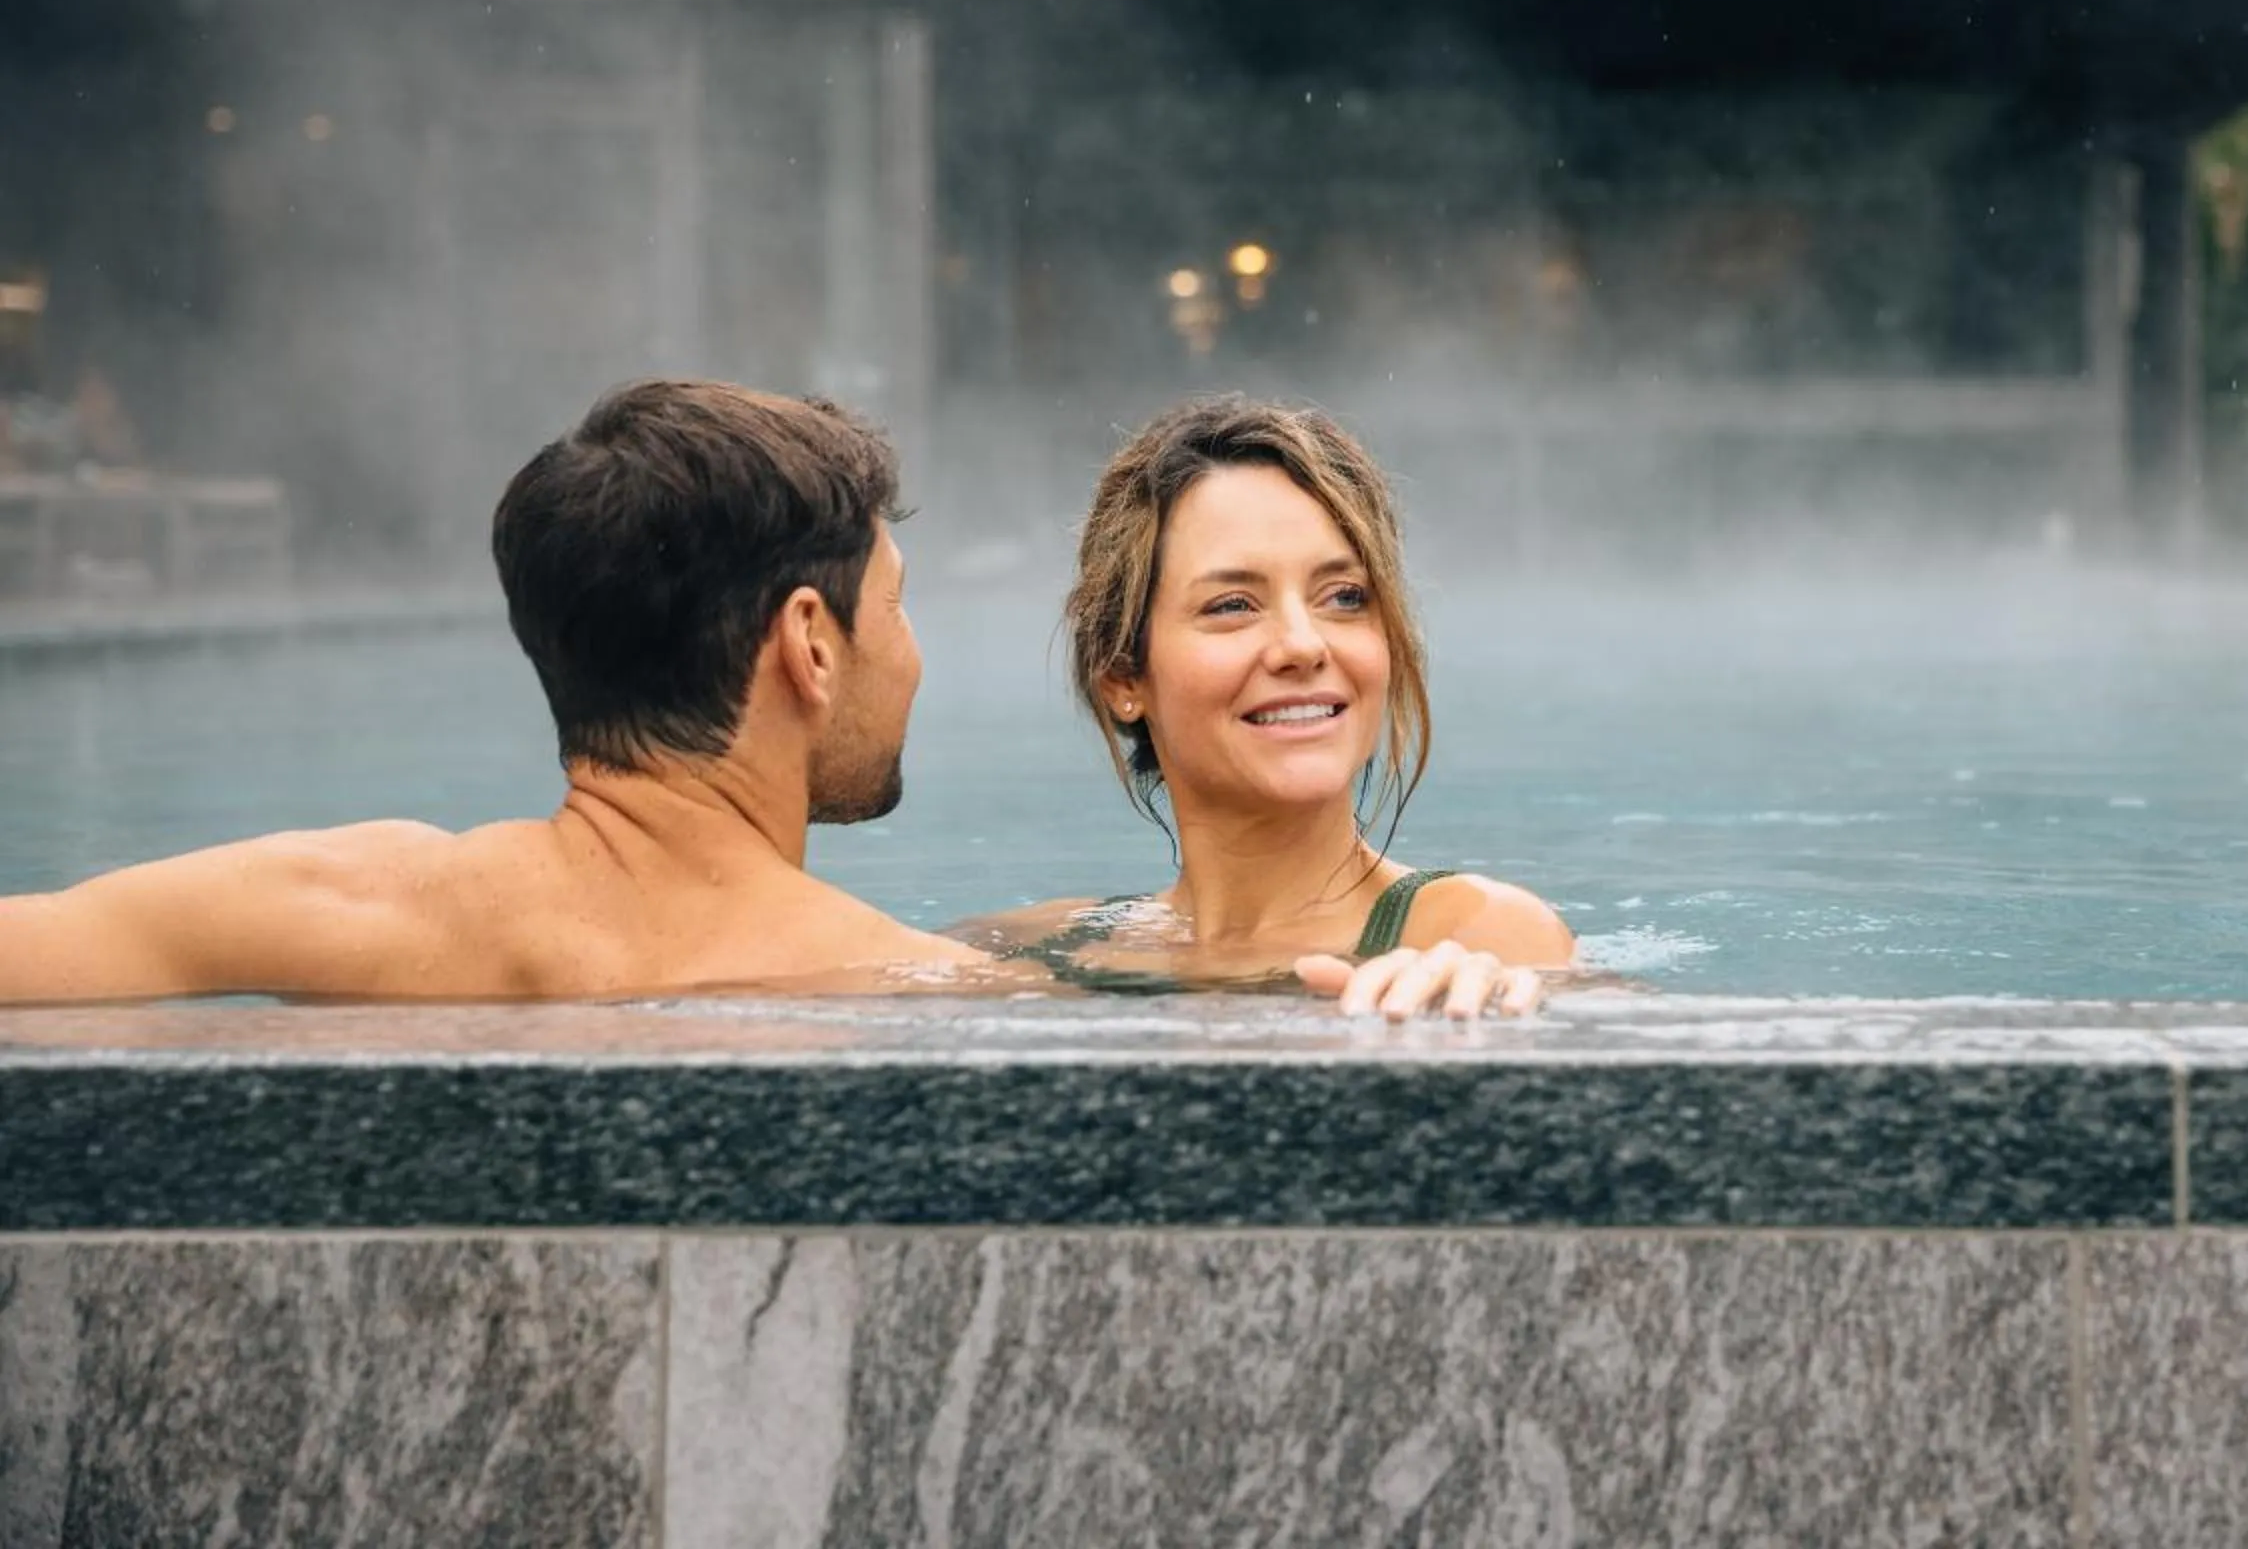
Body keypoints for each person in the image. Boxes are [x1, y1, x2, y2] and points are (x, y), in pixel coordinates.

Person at [0, 380, 1521, 1017]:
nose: (909, 660)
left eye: (1340, 595)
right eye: (895, 614)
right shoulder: (932, 994)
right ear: (809, 643)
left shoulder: (368, 900)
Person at [952, 397, 1573, 1019]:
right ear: (1121, 676)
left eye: (1345, 596)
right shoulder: (1041, 947)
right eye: (1232, 605)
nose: (1303, 645)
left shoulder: (1477, 934)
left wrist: (1498, 1002)